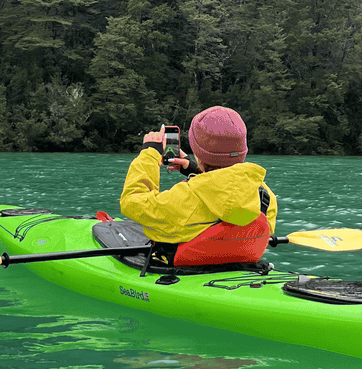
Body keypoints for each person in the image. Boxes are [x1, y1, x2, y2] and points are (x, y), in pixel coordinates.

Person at [119, 106, 277, 266]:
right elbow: (226, 193)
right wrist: (195, 171)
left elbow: (132, 202)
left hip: (182, 268)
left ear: (199, 155)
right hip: (238, 264)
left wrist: (149, 153)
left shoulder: (186, 198)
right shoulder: (264, 195)